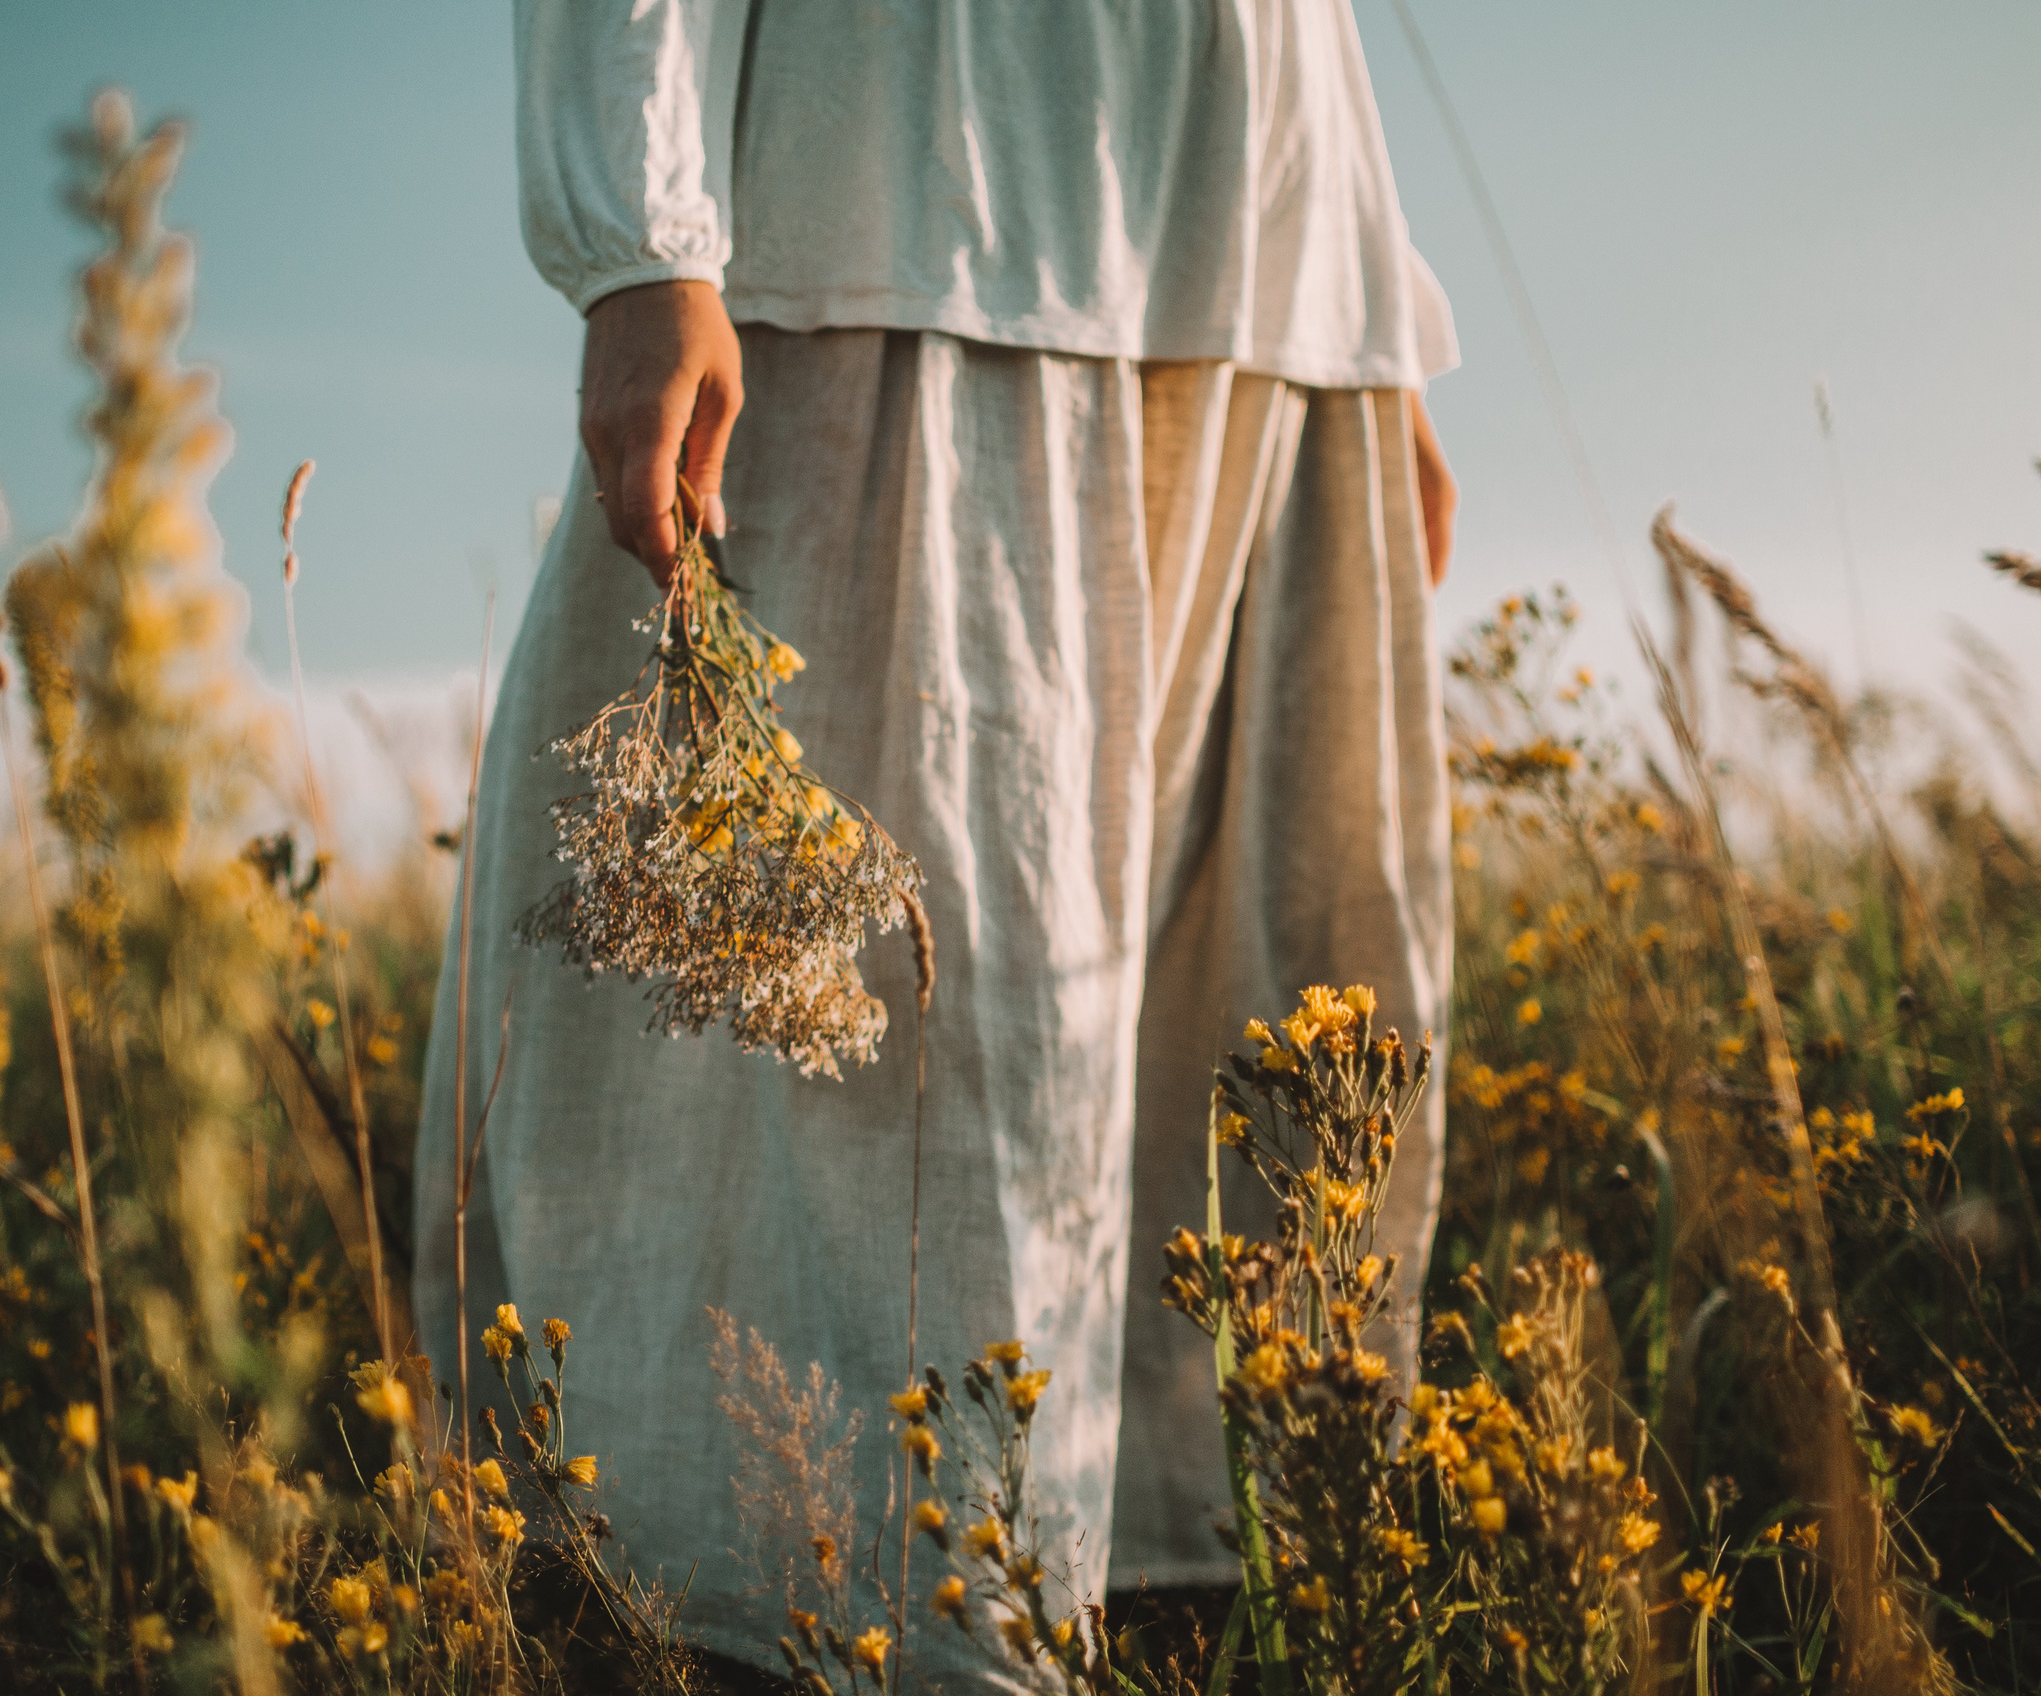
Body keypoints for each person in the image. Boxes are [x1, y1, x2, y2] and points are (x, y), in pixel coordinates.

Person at [417, 1, 1458, 1682]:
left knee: (1209, 996)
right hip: (917, 174)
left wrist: (1372, 300)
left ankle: (1152, 1583)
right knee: (926, 1015)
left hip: (1266, 251)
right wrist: (642, 235)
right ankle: (771, 1601)